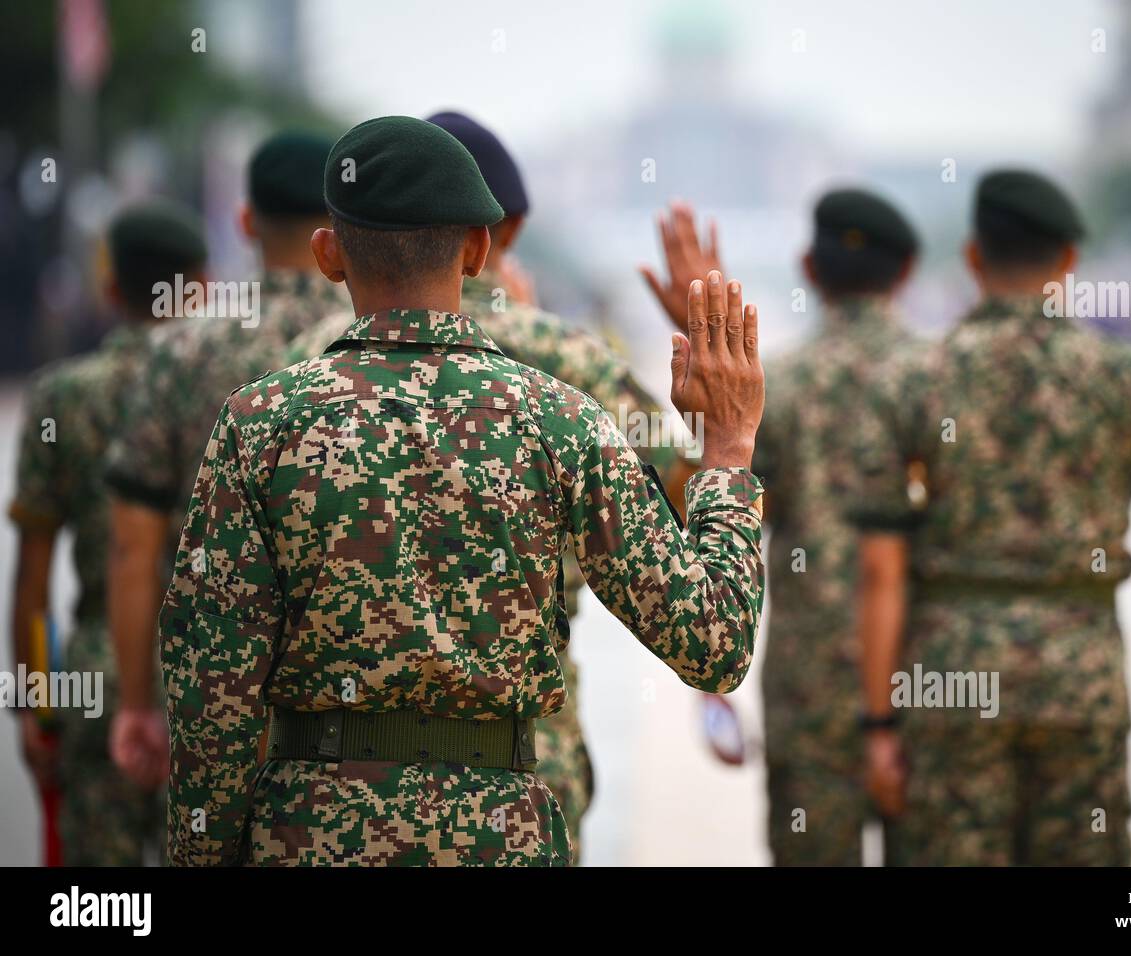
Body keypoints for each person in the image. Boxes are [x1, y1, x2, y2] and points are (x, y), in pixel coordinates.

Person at [161, 115, 766, 866]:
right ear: (478, 250)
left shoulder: (258, 423)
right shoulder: (564, 422)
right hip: (496, 837)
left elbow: (209, 696)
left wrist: (203, 853)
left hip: (308, 835)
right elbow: (715, 643)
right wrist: (730, 452)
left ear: (328, 254)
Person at [284, 112, 697, 858]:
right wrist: (715, 412)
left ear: (336, 248)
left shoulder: (294, 376)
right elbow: (683, 500)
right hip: (516, 752)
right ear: (488, 238)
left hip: (321, 780)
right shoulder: (565, 364)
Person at [853, 169, 1131, 866]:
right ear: (1070, 262)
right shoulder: (1124, 380)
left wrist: (876, 727)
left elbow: (878, 570)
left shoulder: (910, 382)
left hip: (952, 682)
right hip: (1082, 684)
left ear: (974, 257)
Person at [104, 131, 347, 790]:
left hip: (214, 705)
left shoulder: (181, 352)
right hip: (352, 719)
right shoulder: (378, 349)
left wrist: (137, 704)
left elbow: (133, 546)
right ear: (340, 228)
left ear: (245, 223)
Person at [7, 200, 208, 864]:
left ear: (112, 288)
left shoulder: (63, 396)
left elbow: (33, 575)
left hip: (95, 684)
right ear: (201, 284)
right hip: (208, 685)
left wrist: (36, 704)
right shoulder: (238, 386)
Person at [750, 188, 919, 866]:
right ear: (906, 271)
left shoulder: (778, 386)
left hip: (808, 682)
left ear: (809, 270)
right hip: (930, 672)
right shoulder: (940, 377)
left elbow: (726, 517)